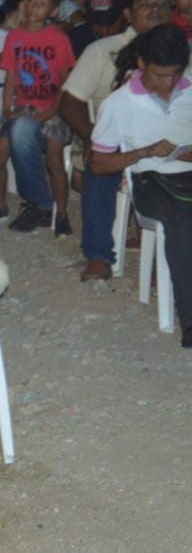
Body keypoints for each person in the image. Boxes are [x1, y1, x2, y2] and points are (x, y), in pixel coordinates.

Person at [61, 0, 172, 280]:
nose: (154, 9)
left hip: (169, 140)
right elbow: (70, 102)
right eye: (144, 3)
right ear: (128, 13)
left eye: (161, 3)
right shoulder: (102, 50)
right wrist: (92, 135)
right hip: (117, 141)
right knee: (101, 164)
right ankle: (99, 255)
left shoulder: (183, 52)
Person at [90, 24, 192, 346]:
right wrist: (144, 152)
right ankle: (189, 317)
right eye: (160, 75)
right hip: (150, 179)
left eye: (174, 75)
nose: (167, 83)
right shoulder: (119, 103)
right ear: (143, 63)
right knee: (182, 223)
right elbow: (99, 163)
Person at [0, 0, 76, 234]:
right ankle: (36, 203)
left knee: (54, 157)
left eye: (42, 4)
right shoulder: (15, 37)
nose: (35, 8)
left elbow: (66, 81)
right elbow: (12, 76)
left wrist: (50, 111)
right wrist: (6, 108)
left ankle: (58, 212)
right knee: (0, 149)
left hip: (54, 109)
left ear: (54, 11)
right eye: (32, 1)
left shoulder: (58, 38)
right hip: (23, 108)